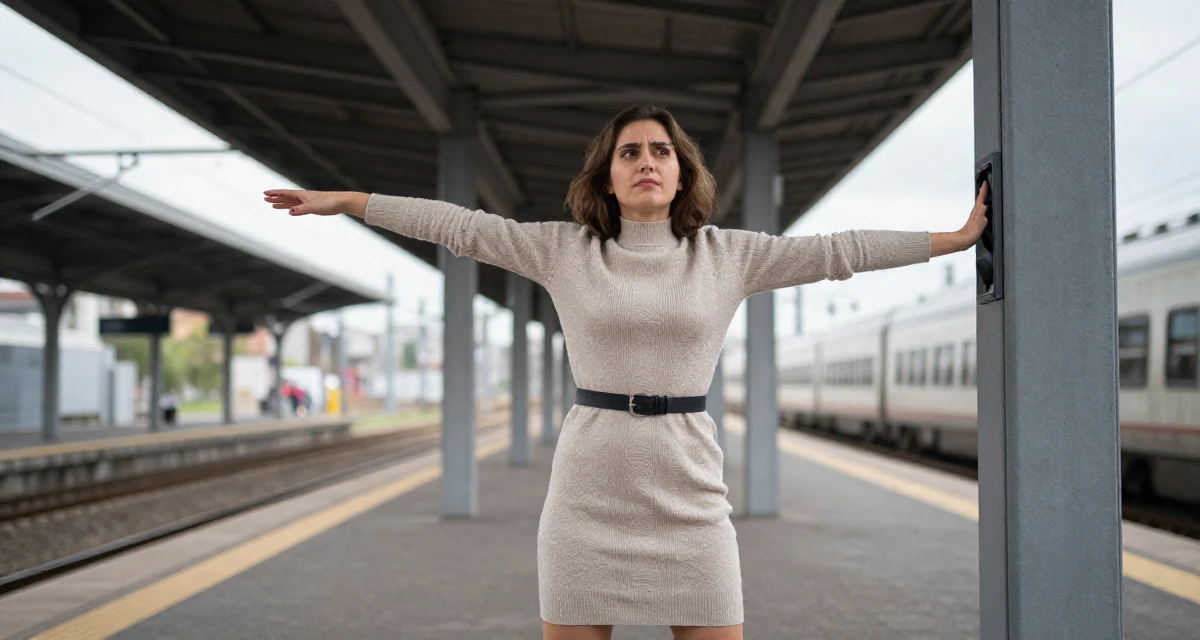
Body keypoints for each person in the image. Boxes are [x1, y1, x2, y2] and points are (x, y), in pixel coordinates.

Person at [264, 105, 987, 640]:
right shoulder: (563, 251)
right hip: (586, 499)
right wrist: (349, 202)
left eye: (662, 151)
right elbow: (457, 225)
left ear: (681, 175)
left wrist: (952, 240)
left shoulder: (731, 255)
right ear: (606, 178)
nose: (647, 160)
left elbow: (841, 250)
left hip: (691, 497)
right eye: (630, 152)